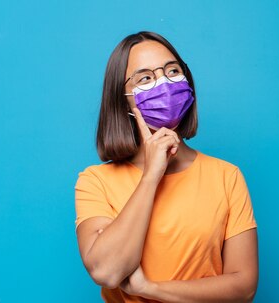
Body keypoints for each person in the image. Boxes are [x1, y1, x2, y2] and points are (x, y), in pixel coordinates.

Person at [74, 31, 259, 302]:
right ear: (122, 97)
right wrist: (151, 176)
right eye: (145, 78)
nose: (164, 84)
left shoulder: (226, 176)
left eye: (172, 71)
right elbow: (106, 272)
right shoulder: (95, 181)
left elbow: (243, 288)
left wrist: (150, 289)